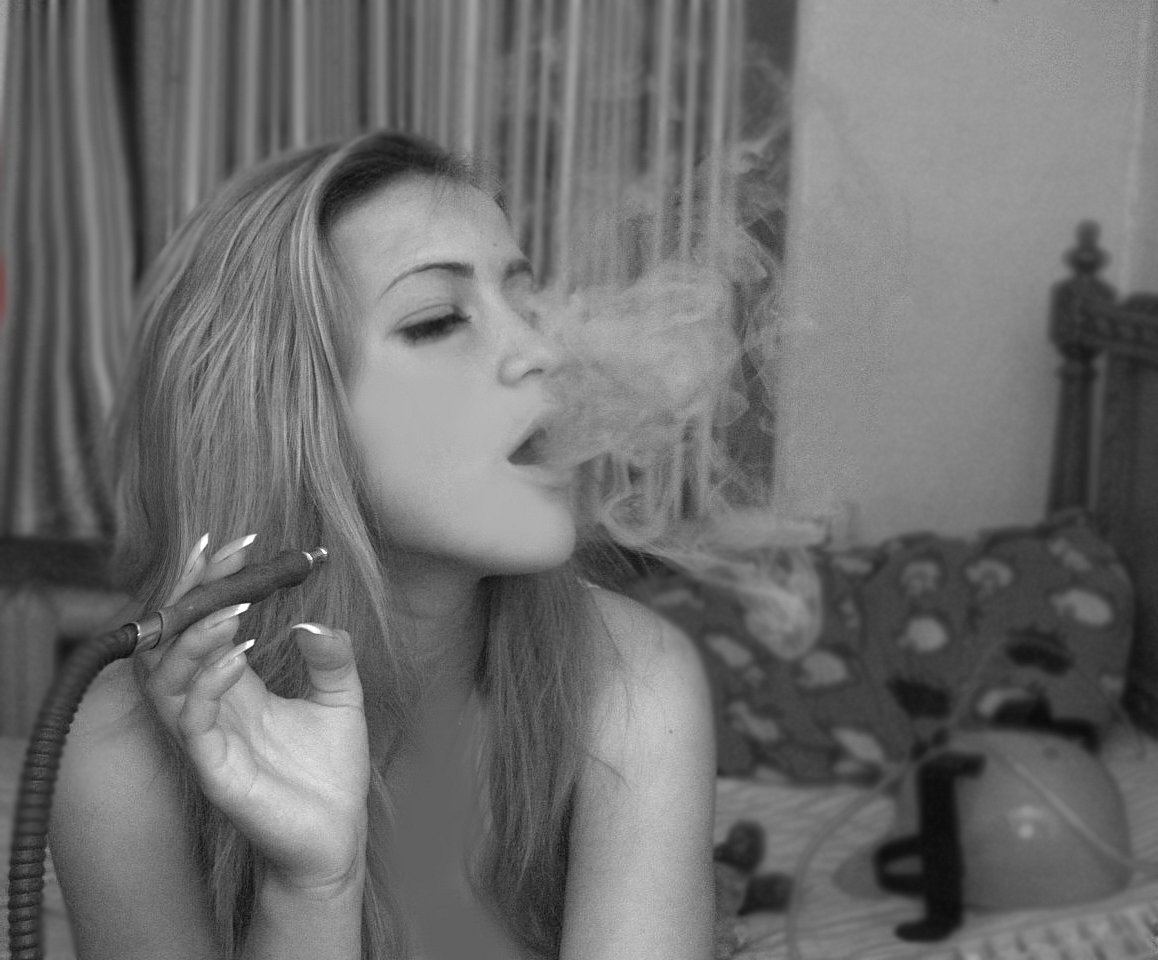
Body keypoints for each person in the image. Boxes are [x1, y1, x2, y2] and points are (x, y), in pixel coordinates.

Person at [47, 130, 717, 960]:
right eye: (438, 320)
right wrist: (310, 891)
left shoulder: (632, 675)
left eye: (526, 304)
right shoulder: (120, 750)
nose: (544, 352)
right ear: (287, 416)